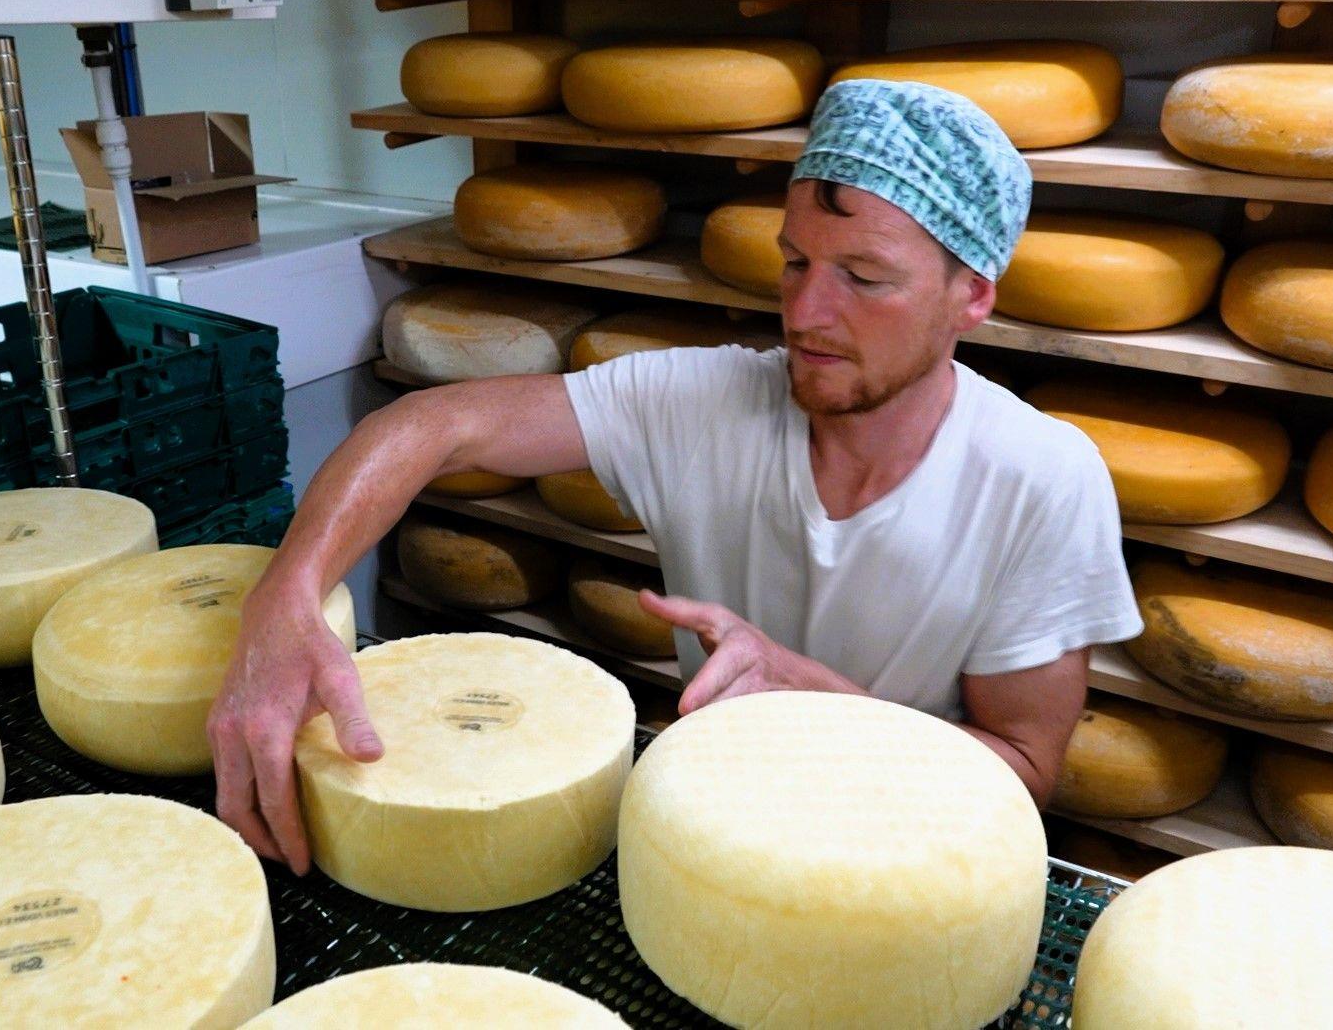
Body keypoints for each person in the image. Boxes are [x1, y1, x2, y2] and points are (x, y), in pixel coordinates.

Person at [210, 79, 1141, 874]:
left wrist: (818, 701)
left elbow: (1022, 769)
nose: (807, 312)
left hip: (902, 855)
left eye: (864, 277)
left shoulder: (1041, 481)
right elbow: (430, 425)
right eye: (794, 262)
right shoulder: (704, 399)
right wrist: (287, 591)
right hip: (701, 820)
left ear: (971, 293)